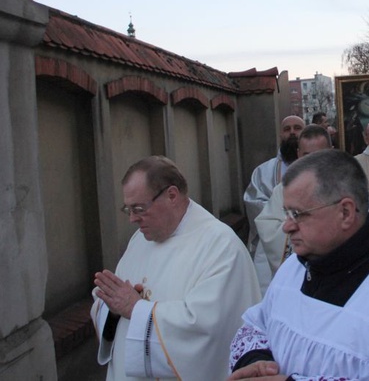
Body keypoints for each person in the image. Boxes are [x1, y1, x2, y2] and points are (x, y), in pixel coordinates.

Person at [228, 149, 369, 380]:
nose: (286, 227)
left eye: (297, 214)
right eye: (286, 214)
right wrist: (256, 363)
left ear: (346, 212)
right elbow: (256, 325)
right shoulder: (293, 268)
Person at [90, 156, 260, 380]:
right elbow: (119, 303)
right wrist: (112, 309)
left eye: (139, 208)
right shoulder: (139, 241)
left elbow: (208, 329)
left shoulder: (220, 246)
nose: (132, 219)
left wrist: (136, 309)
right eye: (127, 209)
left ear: (172, 195)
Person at [254, 124, 333, 282]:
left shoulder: (347, 184)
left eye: (320, 155)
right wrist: (306, 230)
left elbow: (363, 220)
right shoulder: (283, 190)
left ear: (331, 151)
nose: (313, 162)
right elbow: (267, 225)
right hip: (297, 276)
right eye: (307, 155)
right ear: (298, 154)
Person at [244, 115, 305, 291]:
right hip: (274, 241)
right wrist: (287, 214)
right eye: (287, 129)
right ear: (280, 134)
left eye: (297, 128)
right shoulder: (263, 171)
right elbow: (253, 202)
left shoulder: (319, 168)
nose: (292, 132)